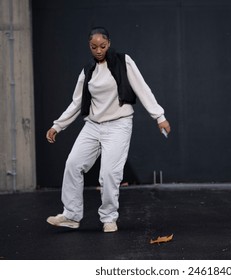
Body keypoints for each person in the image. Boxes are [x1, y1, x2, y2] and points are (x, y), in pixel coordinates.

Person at [46, 27, 171, 232]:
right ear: (89, 46)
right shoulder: (88, 71)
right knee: (73, 164)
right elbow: (76, 103)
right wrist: (57, 125)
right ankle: (71, 215)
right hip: (93, 125)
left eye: (102, 46)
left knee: (109, 173)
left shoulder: (123, 61)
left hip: (119, 125)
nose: (98, 50)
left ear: (109, 44)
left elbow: (142, 88)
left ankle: (109, 218)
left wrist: (159, 116)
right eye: (94, 47)